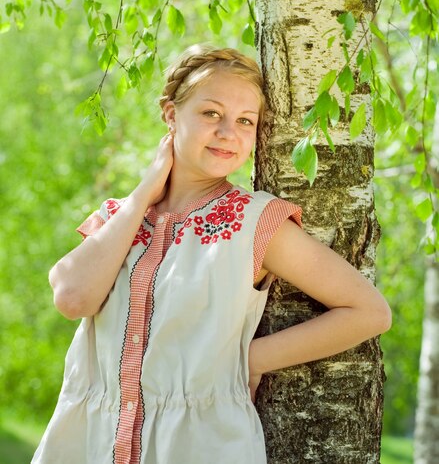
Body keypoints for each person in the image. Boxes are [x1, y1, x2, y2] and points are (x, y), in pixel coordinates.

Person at [32, 44, 391, 464]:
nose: (228, 132)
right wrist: (145, 192)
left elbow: (369, 311)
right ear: (170, 114)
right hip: (86, 444)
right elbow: (73, 298)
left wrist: (247, 359)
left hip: (199, 447)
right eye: (211, 114)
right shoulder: (118, 218)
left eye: (245, 121)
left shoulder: (254, 222)